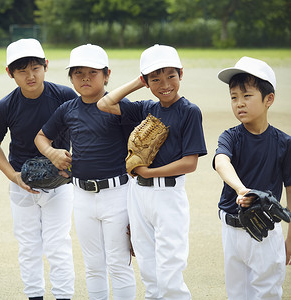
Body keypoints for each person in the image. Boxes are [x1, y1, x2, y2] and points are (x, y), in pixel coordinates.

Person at [97, 44, 207, 299]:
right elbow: (105, 103)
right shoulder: (147, 107)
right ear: (147, 82)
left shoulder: (189, 111)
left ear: (181, 74)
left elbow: (190, 162)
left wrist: (148, 172)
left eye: (170, 75)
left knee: (170, 267)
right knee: (147, 265)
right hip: (139, 195)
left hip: (168, 195)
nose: (164, 84)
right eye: (155, 78)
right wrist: (139, 82)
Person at [35, 44, 137, 300]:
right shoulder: (68, 109)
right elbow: (41, 137)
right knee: (93, 266)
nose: (85, 78)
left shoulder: (119, 107)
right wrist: (52, 153)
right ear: (71, 77)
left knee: (118, 263)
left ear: (106, 74)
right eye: (78, 73)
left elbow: (137, 152)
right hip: (81, 195)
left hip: (118, 193)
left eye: (93, 72)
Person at [0, 38, 76, 300]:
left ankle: (63, 297)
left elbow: (84, 131)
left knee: (58, 245)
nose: (30, 75)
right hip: (22, 186)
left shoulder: (65, 97)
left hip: (60, 185)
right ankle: (34, 296)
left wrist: (74, 164)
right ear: (9, 73)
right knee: (28, 248)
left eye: (35, 67)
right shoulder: (6, 106)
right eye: (22, 70)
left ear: (46, 66)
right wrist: (12, 175)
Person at [213, 56, 291, 299]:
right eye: (234, 97)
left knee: (267, 292)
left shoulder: (283, 143)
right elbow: (220, 161)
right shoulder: (231, 137)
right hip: (232, 229)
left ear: (269, 99)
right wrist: (241, 189)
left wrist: (290, 239)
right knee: (237, 293)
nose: (239, 104)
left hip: (266, 230)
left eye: (247, 96)